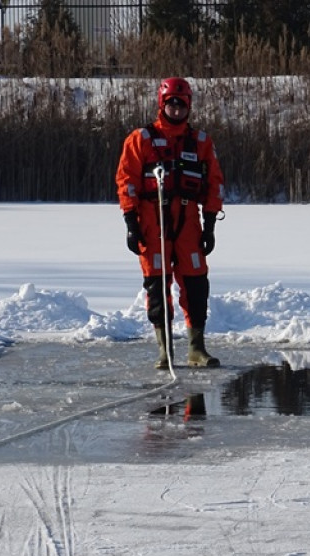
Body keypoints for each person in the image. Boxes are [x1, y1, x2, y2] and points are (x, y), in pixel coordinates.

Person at [116, 77, 225, 369]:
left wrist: (211, 224)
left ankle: (196, 348)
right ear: (161, 104)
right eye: (171, 104)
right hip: (152, 223)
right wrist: (130, 222)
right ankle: (165, 351)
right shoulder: (140, 139)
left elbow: (214, 183)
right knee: (156, 285)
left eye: (181, 104)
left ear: (188, 106)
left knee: (196, 284)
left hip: (189, 221)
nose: (176, 109)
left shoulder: (201, 141)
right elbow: (126, 181)